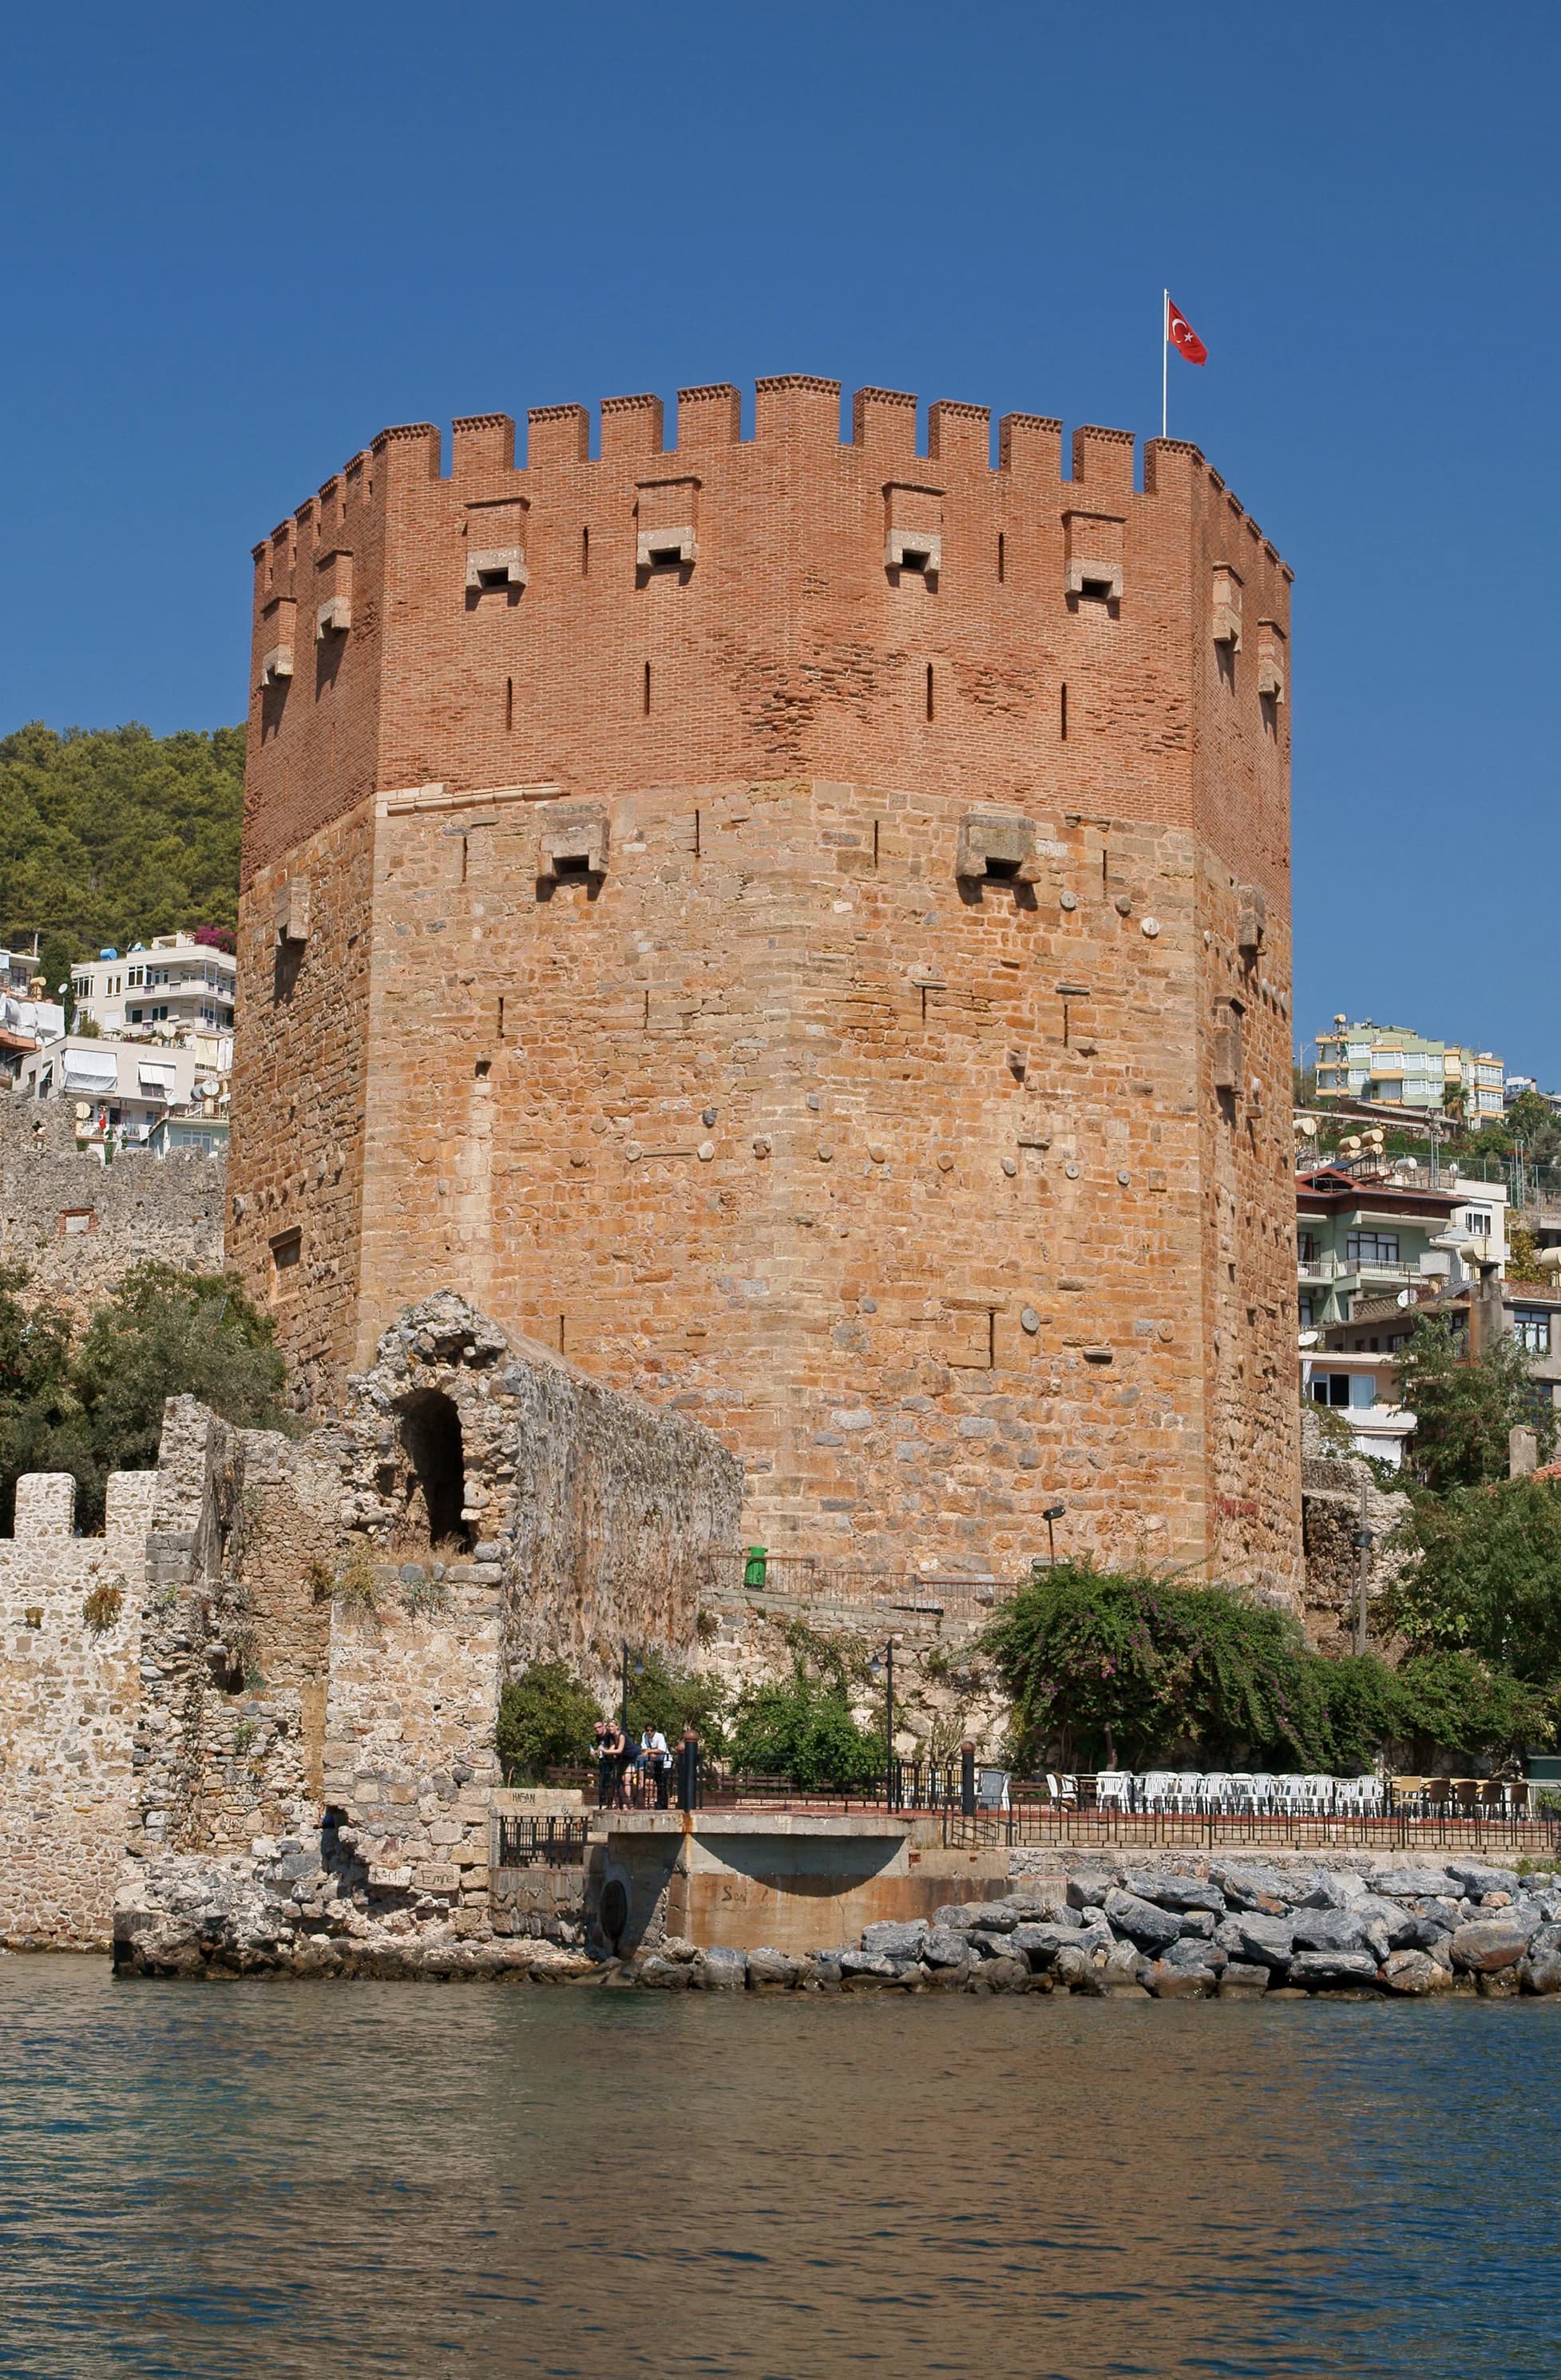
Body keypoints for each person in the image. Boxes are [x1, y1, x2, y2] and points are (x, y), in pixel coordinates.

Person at [644, 1725, 672, 1809]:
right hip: (656, 1762)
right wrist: (650, 1753)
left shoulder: (660, 1736)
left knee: (663, 1783)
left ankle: (662, 1803)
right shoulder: (645, 1736)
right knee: (658, 1783)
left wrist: (649, 1751)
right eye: (647, 1730)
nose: (649, 1732)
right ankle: (660, 1802)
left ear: (654, 1731)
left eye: (651, 1730)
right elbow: (643, 1748)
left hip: (665, 1762)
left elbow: (661, 1750)